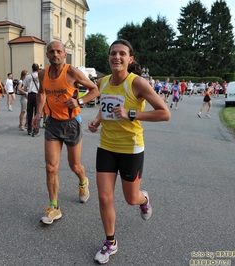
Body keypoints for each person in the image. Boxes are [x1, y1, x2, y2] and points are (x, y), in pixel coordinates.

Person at [87, 39, 170, 264]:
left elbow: (164, 113)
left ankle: (144, 199)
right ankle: (110, 242)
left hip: (131, 149)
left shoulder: (138, 83)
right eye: (113, 53)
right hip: (106, 147)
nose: (117, 57)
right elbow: (106, 110)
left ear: (129, 59)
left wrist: (131, 114)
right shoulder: (103, 82)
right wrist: (96, 121)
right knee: (104, 198)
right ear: (108, 57)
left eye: (122, 54)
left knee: (130, 198)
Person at [31, 41, 99, 225]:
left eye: (58, 51)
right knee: (51, 167)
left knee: (74, 165)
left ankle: (83, 182)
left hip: (71, 124)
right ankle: (54, 207)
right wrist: (38, 113)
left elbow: (95, 90)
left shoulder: (72, 72)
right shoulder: (43, 73)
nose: (55, 54)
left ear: (65, 54)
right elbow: (42, 93)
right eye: (51, 51)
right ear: (47, 55)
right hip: (52, 123)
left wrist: (80, 102)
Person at [23, 64, 41, 137]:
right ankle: (36, 130)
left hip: (30, 94)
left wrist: (26, 94)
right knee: (37, 113)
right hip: (38, 94)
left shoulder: (28, 76)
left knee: (29, 112)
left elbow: (25, 88)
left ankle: (29, 129)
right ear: (38, 69)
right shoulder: (40, 76)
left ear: (32, 69)